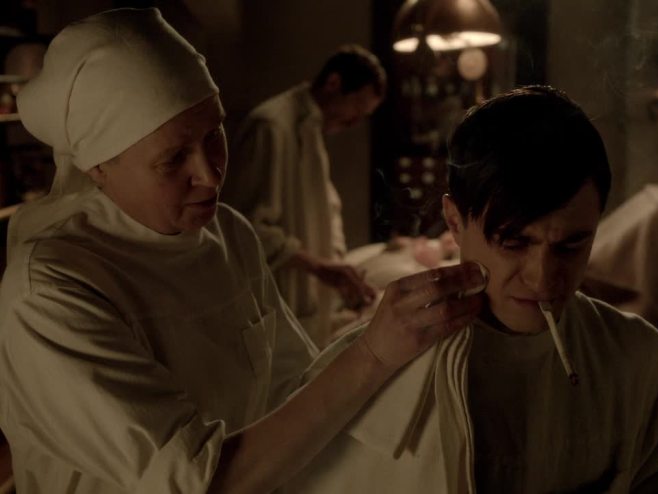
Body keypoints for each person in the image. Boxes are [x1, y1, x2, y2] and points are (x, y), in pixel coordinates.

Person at [0, 9, 486, 493]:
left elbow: (293, 389)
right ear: (98, 167)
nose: (210, 174)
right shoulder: (50, 291)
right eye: (173, 158)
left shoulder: (228, 233)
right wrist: (372, 354)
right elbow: (198, 480)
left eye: (214, 134)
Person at [281, 86, 658, 493]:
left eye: (571, 245)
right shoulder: (368, 366)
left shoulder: (638, 360)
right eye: (513, 242)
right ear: (454, 222)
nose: (543, 280)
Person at [221, 45, 385, 345]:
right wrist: (318, 266)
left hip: (304, 299)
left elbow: (327, 210)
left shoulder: (310, 129)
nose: (354, 123)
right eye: (356, 110)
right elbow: (244, 226)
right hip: (275, 297)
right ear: (333, 83)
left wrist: (337, 268)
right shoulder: (270, 126)